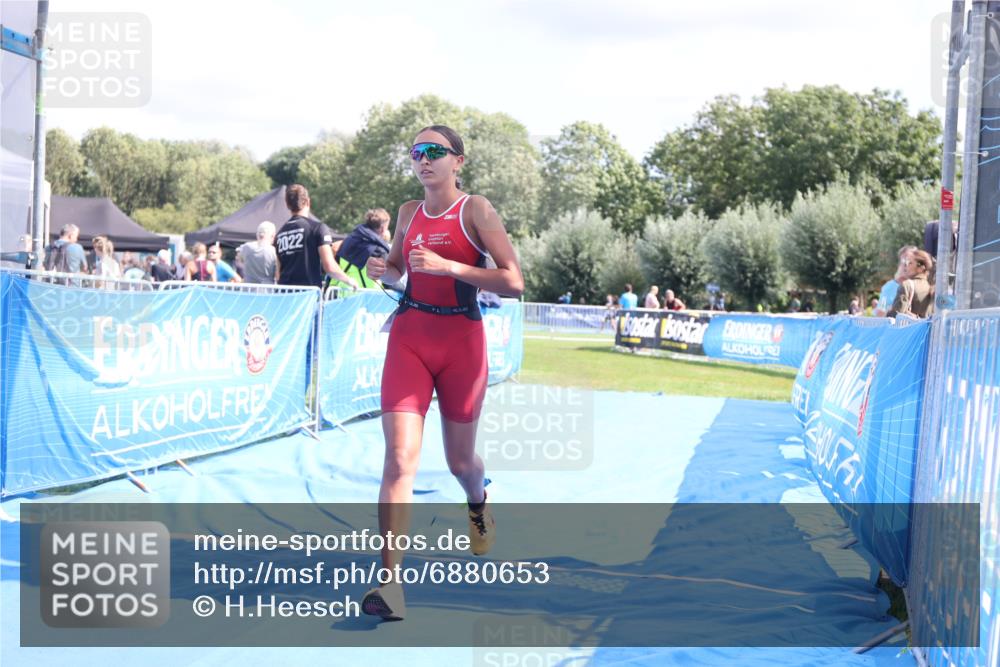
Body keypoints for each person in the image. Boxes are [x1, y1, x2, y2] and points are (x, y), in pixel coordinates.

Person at [361, 125, 524, 620]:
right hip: (410, 338)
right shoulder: (408, 212)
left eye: (435, 152)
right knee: (399, 459)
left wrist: (449, 267)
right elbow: (397, 268)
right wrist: (382, 270)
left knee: (460, 464)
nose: (424, 160)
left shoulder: (476, 209)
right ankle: (390, 585)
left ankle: (478, 502)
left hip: (462, 345)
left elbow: (513, 281)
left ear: (458, 161)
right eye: (416, 152)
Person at [275, 184, 357, 289]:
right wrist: (349, 280)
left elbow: (278, 274)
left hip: (284, 296)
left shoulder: (279, 234)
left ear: (287, 204)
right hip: (307, 295)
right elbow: (329, 266)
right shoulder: (317, 228)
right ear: (308, 201)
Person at [331, 208, 392, 291]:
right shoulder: (379, 250)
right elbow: (390, 281)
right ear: (382, 229)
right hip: (369, 298)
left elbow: (335, 267)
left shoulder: (346, 242)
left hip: (344, 295)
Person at [889, 249, 934, 318]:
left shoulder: (907, 285)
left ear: (921, 268)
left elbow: (895, 316)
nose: (906, 266)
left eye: (910, 263)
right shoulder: (932, 289)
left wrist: (888, 312)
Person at [875, 245, 916, 317]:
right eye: (903, 260)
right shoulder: (888, 287)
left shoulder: (921, 285)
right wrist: (892, 311)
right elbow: (880, 312)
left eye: (909, 261)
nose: (905, 264)